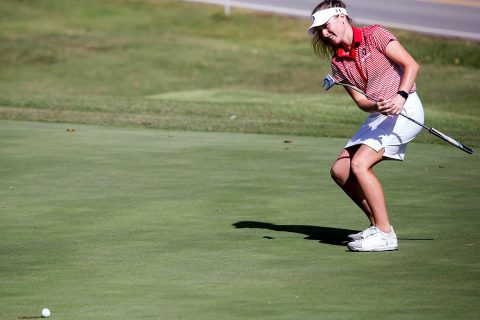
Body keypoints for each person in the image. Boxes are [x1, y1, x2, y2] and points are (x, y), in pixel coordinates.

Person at [307, 0, 424, 251]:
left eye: (326, 26)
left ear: (341, 17)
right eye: (320, 31)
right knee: (340, 170)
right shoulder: (338, 64)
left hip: (407, 109)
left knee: (360, 164)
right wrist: (377, 106)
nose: (325, 33)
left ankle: (385, 234)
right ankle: (376, 224)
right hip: (380, 116)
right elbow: (361, 101)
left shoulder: (375, 35)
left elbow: (411, 65)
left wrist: (399, 97)